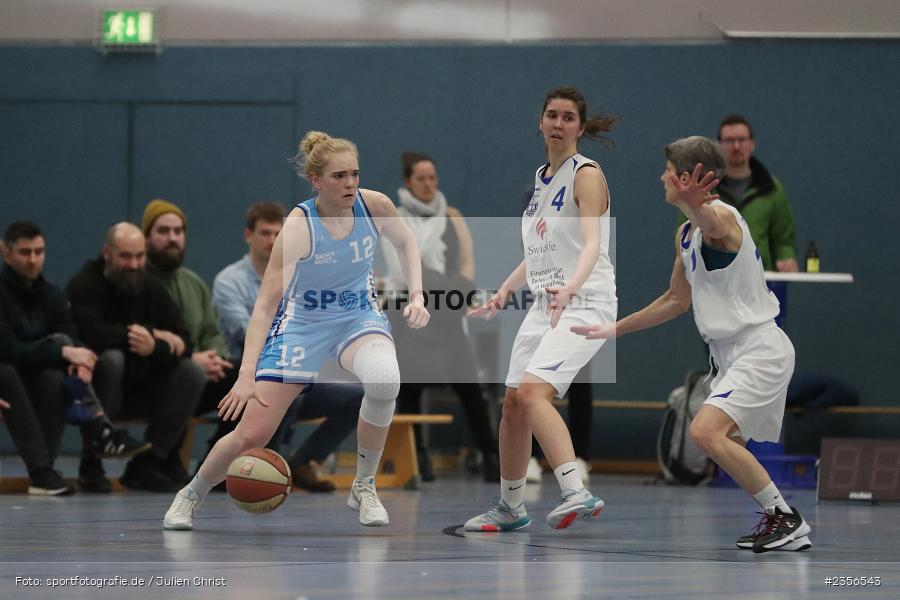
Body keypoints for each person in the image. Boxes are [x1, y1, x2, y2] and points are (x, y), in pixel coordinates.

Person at [163, 131, 429, 530]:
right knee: (251, 434)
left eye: (355, 173)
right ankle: (191, 494)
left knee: (384, 379)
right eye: (339, 176)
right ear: (315, 180)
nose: (350, 183)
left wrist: (418, 296)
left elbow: (406, 241)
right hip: (303, 326)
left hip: (357, 317)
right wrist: (246, 375)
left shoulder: (374, 206)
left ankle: (364, 486)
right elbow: (266, 304)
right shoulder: (299, 226)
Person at [572, 136, 812, 553]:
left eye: (668, 170)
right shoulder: (685, 234)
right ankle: (780, 517)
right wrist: (616, 328)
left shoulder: (722, 217)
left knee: (704, 431)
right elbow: (675, 300)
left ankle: (785, 518)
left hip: (759, 349)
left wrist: (699, 204)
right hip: (728, 356)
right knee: (724, 443)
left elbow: (715, 225)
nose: (661, 177)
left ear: (686, 178)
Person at [464, 86, 617, 531]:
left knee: (533, 394)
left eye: (568, 117)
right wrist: (503, 292)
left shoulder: (586, 175)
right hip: (544, 302)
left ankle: (575, 491)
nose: (558, 123)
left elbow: (592, 244)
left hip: (585, 299)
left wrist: (571, 286)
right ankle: (511, 507)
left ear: (580, 128)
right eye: (552, 115)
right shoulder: (541, 179)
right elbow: (540, 249)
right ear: (540, 122)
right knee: (512, 403)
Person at [212, 201, 364, 492]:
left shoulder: (301, 277)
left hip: (298, 372)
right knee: (285, 386)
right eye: (264, 233)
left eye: (277, 234)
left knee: (358, 395)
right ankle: (265, 465)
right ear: (248, 235)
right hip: (244, 376)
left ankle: (304, 460)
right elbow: (250, 335)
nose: (272, 241)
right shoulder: (229, 281)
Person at [0, 221, 149, 495]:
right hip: (9, 375)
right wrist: (64, 352)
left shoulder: (50, 292)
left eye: (39, 251)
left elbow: (70, 332)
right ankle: (99, 430)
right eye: (25, 252)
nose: (33, 259)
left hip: (39, 374)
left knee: (55, 374)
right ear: (6, 254)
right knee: (16, 367)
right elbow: (6, 348)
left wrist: (81, 358)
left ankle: (44, 472)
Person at [382, 151, 499, 482]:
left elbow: (467, 263)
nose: (428, 184)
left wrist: (458, 288)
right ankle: (417, 456)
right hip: (410, 310)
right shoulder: (394, 218)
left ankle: (491, 455)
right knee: (409, 385)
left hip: (449, 313)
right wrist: (456, 288)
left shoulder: (452, 216)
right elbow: (403, 272)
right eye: (421, 178)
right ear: (408, 182)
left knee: (470, 387)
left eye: (432, 177)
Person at [66, 223, 206, 492]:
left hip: (143, 392)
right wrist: (154, 335)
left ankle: (150, 462)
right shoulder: (85, 283)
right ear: (107, 252)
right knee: (112, 360)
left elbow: (185, 342)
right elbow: (93, 335)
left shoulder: (150, 286)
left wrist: (155, 345)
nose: (133, 264)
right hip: (96, 394)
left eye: (139, 256)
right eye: (126, 257)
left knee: (192, 371)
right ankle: (92, 461)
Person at [142, 199, 238, 479]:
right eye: (163, 231)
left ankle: (213, 465)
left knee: (244, 384)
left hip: (200, 373)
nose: (172, 238)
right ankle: (155, 459)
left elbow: (211, 331)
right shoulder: (141, 281)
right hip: (157, 379)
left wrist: (215, 358)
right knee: (189, 372)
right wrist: (194, 360)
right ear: (147, 237)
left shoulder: (192, 282)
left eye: (178, 231)